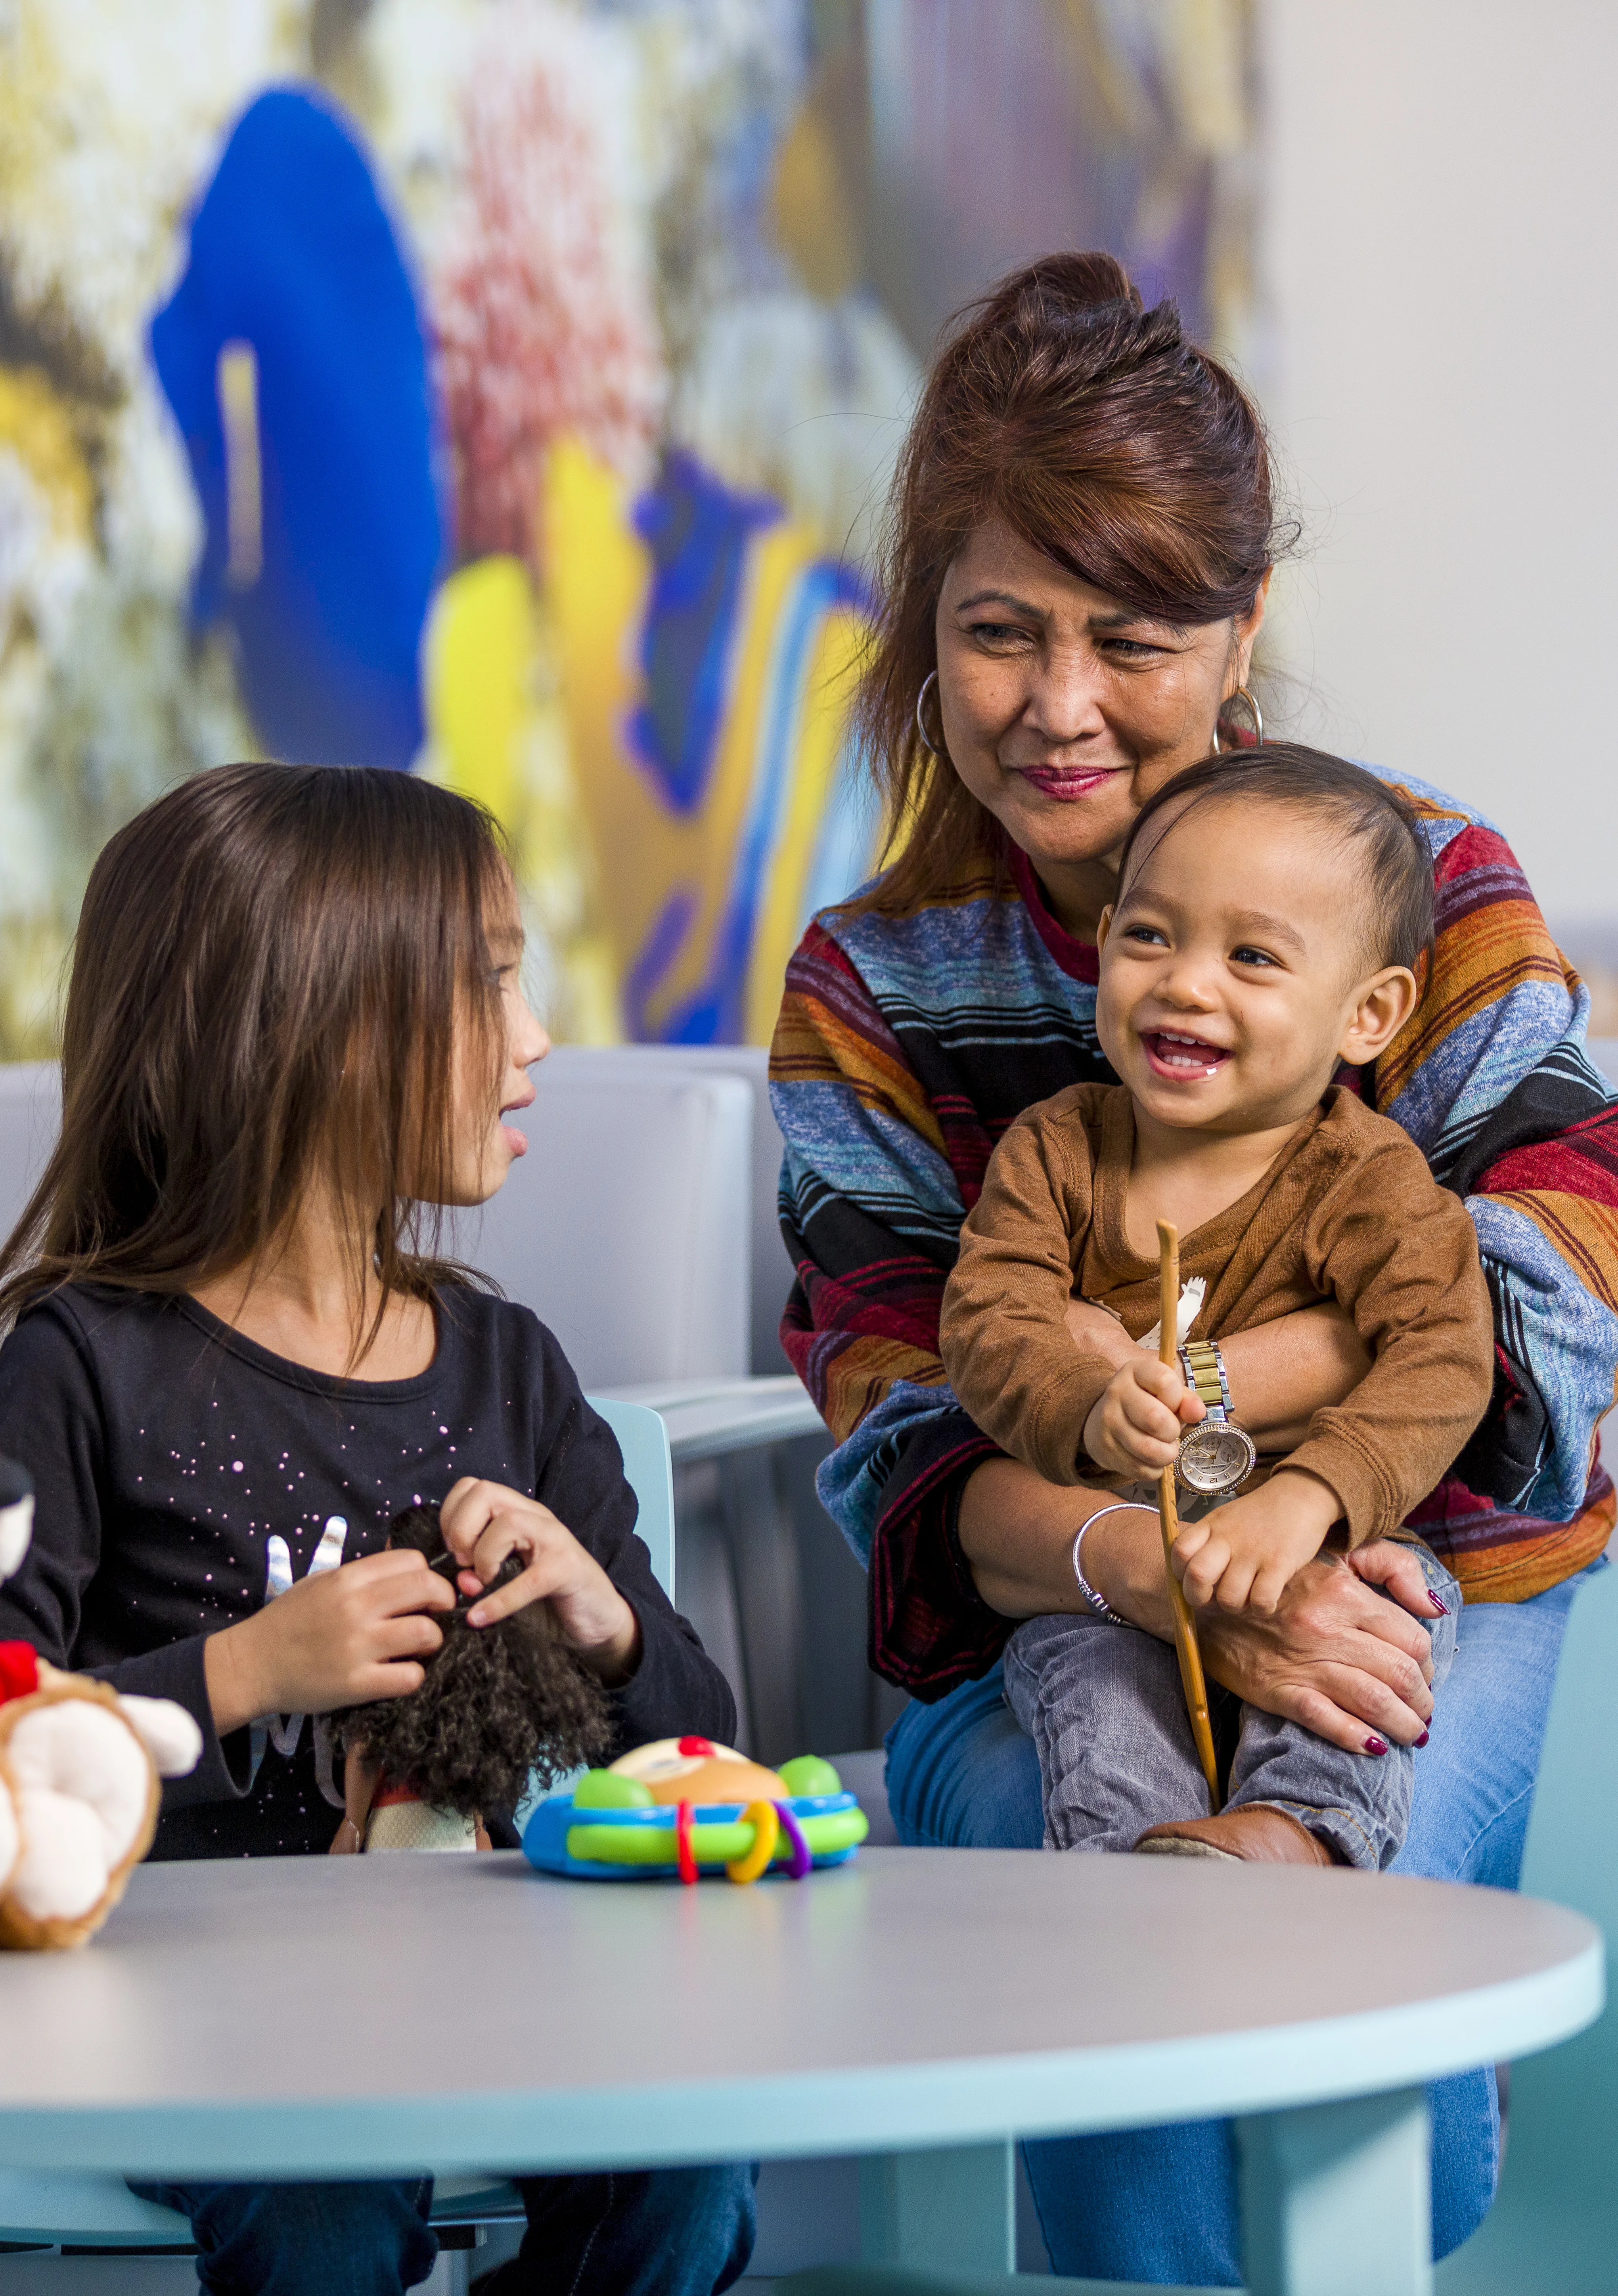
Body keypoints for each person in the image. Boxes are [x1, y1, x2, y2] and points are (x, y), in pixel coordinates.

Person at [771, 251, 1618, 2282]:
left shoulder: (1422, 886)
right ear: (928, 638)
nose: (1057, 707)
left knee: (1361, 2122)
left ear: (1239, 629)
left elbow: (1562, 1279)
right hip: (1050, 1611)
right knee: (1139, 1969)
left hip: (1416, 1569)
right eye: (996, 634)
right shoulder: (872, 984)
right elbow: (899, 1432)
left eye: (1128, 636)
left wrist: (1267, 1477)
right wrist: (1156, 1564)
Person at [0, 761, 754, 2296]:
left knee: (688, 2170)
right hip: (184, 2001)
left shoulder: (510, 1365)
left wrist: (608, 1615)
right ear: (313, 1028)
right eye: (489, 985)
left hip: (510, 1987)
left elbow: (707, 1743)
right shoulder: (86, 1363)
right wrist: (239, 1672)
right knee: (323, 2201)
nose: (537, 1040)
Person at [939, 748, 1488, 1869]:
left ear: (1369, 1014)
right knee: (1086, 1681)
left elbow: (1444, 1356)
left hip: (1329, 1554)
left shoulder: (1368, 1182)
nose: (1187, 983)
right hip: (1109, 1575)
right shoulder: (1058, 1149)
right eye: (1150, 936)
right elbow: (988, 1316)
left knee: (1392, 1632)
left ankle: (1294, 1839)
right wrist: (1092, 1396)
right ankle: (1138, 1881)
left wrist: (1311, 1501)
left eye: (1252, 956)